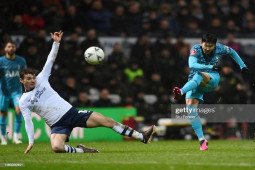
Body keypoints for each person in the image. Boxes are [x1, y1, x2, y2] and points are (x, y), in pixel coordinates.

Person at [19, 31, 155, 154]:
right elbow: (28, 121)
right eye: (29, 79)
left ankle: (142, 136)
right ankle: (82, 150)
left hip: (72, 114)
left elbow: (50, 59)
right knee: (57, 148)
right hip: (58, 124)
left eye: (33, 77)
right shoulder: (24, 101)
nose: (33, 80)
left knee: (108, 121)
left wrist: (56, 43)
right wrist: (31, 141)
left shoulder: (42, 79)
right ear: (21, 80)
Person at [172, 33, 248, 151]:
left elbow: (232, 51)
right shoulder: (195, 49)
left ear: (215, 45)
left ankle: (181, 91)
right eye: (206, 45)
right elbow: (192, 65)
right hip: (195, 81)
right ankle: (202, 140)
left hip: (212, 78)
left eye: (210, 46)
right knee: (190, 109)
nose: (208, 48)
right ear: (201, 43)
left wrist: (242, 65)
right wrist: (211, 66)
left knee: (199, 75)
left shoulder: (220, 48)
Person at [0, 40, 27, 145]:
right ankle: (3, 138)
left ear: (15, 48)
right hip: (4, 92)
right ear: (5, 49)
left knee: (19, 110)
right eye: (9, 46)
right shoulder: (1, 61)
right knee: (3, 113)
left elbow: (25, 74)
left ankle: (15, 136)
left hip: (17, 91)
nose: (11, 48)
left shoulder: (21, 60)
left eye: (13, 46)